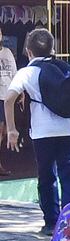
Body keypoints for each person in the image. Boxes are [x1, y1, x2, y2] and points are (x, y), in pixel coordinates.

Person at [4, 29, 70, 236]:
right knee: (69, 177)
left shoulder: (27, 72)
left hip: (43, 134)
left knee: (47, 177)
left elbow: (9, 98)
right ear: (52, 49)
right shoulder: (65, 68)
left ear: (28, 52)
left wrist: (12, 129)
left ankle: (51, 223)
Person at [0, 26, 17, 176]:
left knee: (4, 132)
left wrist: (20, 92)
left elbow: (14, 72)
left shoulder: (7, 52)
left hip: (6, 96)